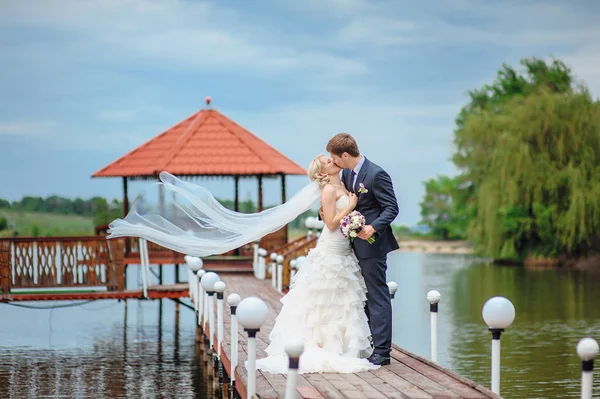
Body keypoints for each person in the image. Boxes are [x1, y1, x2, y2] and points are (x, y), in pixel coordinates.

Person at [254, 154, 377, 374]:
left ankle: (338, 346)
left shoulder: (345, 181)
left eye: (331, 158)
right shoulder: (329, 190)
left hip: (344, 249)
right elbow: (330, 223)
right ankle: (318, 344)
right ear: (322, 173)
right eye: (328, 162)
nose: (333, 161)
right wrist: (351, 206)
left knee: (341, 299)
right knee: (324, 297)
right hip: (331, 247)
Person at [326, 133, 399, 366]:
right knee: (361, 296)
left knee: (377, 295)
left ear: (345, 155)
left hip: (372, 245)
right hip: (350, 246)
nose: (333, 162)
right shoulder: (347, 173)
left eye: (334, 158)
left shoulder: (376, 174)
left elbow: (391, 208)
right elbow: (345, 202)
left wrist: (373, 228)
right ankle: (368, 344)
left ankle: (383, 352)